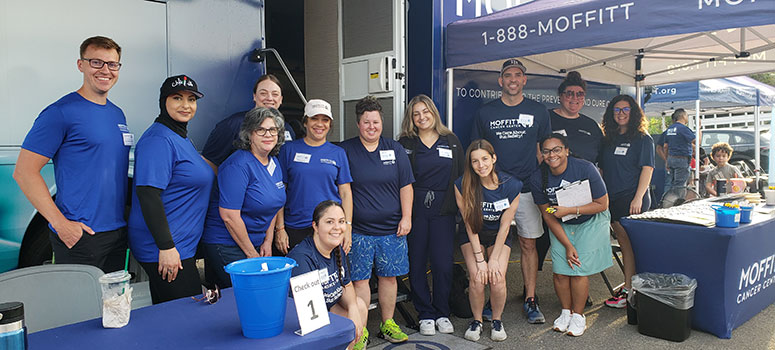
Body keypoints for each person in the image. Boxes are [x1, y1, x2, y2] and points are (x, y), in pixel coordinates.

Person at [14, 36, 130, 272]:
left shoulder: (117, 114)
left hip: (117, 232)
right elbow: (24, 172)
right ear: (81, 65)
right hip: (81, 236)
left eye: (112, 64)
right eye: (96, 62)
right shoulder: (60, 112)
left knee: (114, 306)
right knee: (81, 309)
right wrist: (60, 224)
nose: (105, 70)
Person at [471, 58, 551, 324]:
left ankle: (530, 298)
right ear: (500, 81)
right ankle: (486, 303)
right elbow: (477, 149)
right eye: (508, 75)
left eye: (518, 75)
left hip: (526, 189)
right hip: (492, 190)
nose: (513, 79)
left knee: (528, 243)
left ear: (524, 80)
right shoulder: (486, 112)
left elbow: (546, 148)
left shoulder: (539, 111)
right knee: (488, 244)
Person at [127, 75, 212, 304]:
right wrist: (166, 247)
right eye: (177, 98)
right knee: (185, 317)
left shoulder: (179, 136)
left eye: (191, 99)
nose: (186, 105)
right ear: (163, 101)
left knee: (168, 316)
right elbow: (148, 195)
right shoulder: (159, 140)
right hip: (166, 249)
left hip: (180, 246)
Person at [340, 96, 414, 344]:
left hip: (392, 229)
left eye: (376, 122)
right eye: (366, 122)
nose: (371, 126)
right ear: (358, 124)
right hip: (359, 231)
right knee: (360, 280)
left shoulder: (395, 149)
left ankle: (388, 323)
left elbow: (406, 186)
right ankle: (361, 330)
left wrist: (407, 217)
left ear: (382, 122)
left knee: (389, 277)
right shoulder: (346, 150)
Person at [529, 133, 612, 337]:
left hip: (589, 219)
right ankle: (566, 311)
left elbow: (602, 204)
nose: (551, 155)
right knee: (559, 271)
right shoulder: (537, 178)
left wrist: (570, 210)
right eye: (546, 151)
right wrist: (566, 243)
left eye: (557, 149)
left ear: (566, 150)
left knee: (578, 268)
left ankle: (579, 315)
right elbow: (547, 213)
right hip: (560, 222)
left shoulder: (585, 168)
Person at [398, 94, 464, 336]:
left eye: (425, 111)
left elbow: (460, 177)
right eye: (416, 113)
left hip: (443, 210)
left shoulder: (451, 140)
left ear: (434, 113)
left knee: (442, 262)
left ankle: (442, 311)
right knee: (416, 262)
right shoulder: (406, 142)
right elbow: (400, 179)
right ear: (411, 118)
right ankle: (425, 312)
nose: (421, 117)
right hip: (415, 210)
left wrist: (460, 210)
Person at [200, 107, 287, 288]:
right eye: (260, 130)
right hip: (226, 243)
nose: (267, 134)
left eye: (272, 130)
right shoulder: (237, 165)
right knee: (251, 291)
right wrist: (251, 255)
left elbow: (273, 205)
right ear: (249, 134)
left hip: (255, 242)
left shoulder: (274, 163)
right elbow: (229, 216)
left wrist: (267, 241)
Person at [454, 139, 520, 342]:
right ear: (470, 164)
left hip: (497, 235)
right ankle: (477, 321)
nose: (480, 165)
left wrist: (493, 259)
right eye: (475, 161)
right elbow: (468, 224)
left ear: (494, 158)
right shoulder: (462, 184)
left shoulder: (512, 185)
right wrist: (480, 259)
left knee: (497, 276)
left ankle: (497, 320)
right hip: (473, 235)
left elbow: (505, 226)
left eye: (484, 159)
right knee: (477, 276)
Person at [287, 200, 369, 350]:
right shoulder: (302, 257)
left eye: (341, 221)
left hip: (327, 312)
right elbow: (310, 316)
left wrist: (352, 309)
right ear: (315, 226)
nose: (337, 227)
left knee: (359, 306)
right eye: (329, 222)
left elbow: (347, 284)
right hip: (301, 326)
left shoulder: (336, 248)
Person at [275, 99, 353, 256]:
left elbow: (345, 193)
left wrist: (347, 227)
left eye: (325, 120)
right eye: (314, 119)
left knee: (330, 277)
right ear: (305, 122)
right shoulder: (288, 150)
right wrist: (280, 228)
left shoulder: (338, 153)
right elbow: (279, 192)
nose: (319, 124)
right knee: (297, 278)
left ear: (330, 125)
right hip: (295, 227)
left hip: (330, 228)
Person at [599, 95, 654, 309]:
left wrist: (638, 197)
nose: (621, 113)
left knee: (630, 245)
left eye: (626, 109)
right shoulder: (608, 139)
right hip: (612, 199)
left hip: (633, 199)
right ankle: (630, 283)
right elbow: (603, 169)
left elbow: (647, 169)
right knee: (624, 244)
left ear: (634, 113)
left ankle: (630, 290)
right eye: (617, 110)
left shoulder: (643, 138)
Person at [201, 74, 295, 171]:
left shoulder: (287, 129)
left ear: (281, 100)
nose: (269, 98)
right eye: (263, 93)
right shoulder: (233, 124)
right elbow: (208, 161)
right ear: (254, 96)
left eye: (275, 94)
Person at [549, 71, 603, 163]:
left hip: (585, 176)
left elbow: (601, 158)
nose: (575, 98)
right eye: (569, 94)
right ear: (560, 96)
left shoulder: (591, 125)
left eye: (580, 94)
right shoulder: (546, 118)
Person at [663, 108, 695, 202]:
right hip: (682, 159)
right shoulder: (683, 128)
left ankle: (666, 203)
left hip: (671, 158)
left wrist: (667, 160)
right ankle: (677, 204)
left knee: (671, 183)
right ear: (683, 116)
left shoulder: (670, 129)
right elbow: (696, 142)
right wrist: (699, 128)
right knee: (680, 185)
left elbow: (665, 146)